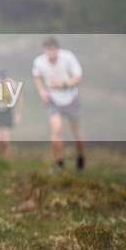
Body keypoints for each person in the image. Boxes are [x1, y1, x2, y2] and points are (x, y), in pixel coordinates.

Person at [32, 36, 85, 170]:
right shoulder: (39, 62)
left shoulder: (68, 57)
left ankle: (80, 156)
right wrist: (41, 91)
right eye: (48, 52)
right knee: (56, 128)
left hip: (70, 97)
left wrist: (63, 84)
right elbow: (36, 76)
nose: (51, 55)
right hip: (53, 99)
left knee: (75, 130)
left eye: (53, 51)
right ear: (44, 50)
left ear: (58, 49)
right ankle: (59, 161)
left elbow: (78, 77)